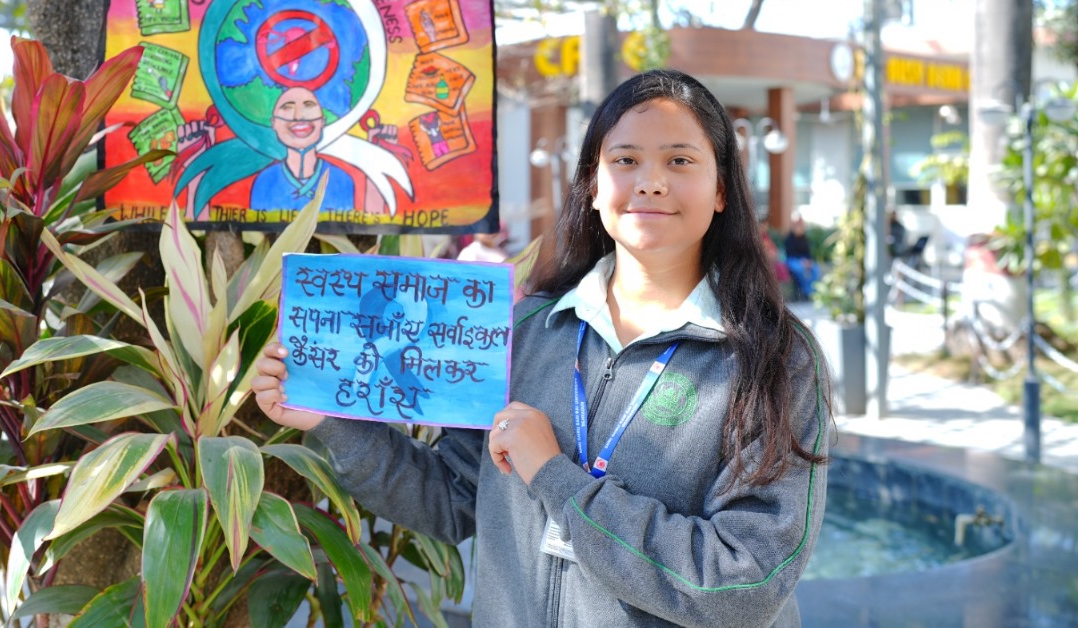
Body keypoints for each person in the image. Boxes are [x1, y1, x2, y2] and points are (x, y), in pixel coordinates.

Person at [252, 69, 831, 627]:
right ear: (592, 185)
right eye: (625, 160)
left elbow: (744, 586)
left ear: (721, 188)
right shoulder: (528, 330)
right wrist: (330, 419)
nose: (650, 182)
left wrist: (555, 477)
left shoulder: (777, 359)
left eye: (679, 160)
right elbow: (451, 499)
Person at [783, 215, 820, 302]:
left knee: (815, 269)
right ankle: (806, 292)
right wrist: (802, 262)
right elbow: (789, 253)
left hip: (805, 261)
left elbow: (808, 252)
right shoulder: (789, 238)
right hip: (792, 260)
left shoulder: (804, 238)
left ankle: (810, 292)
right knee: (800, 270)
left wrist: (809, 261)